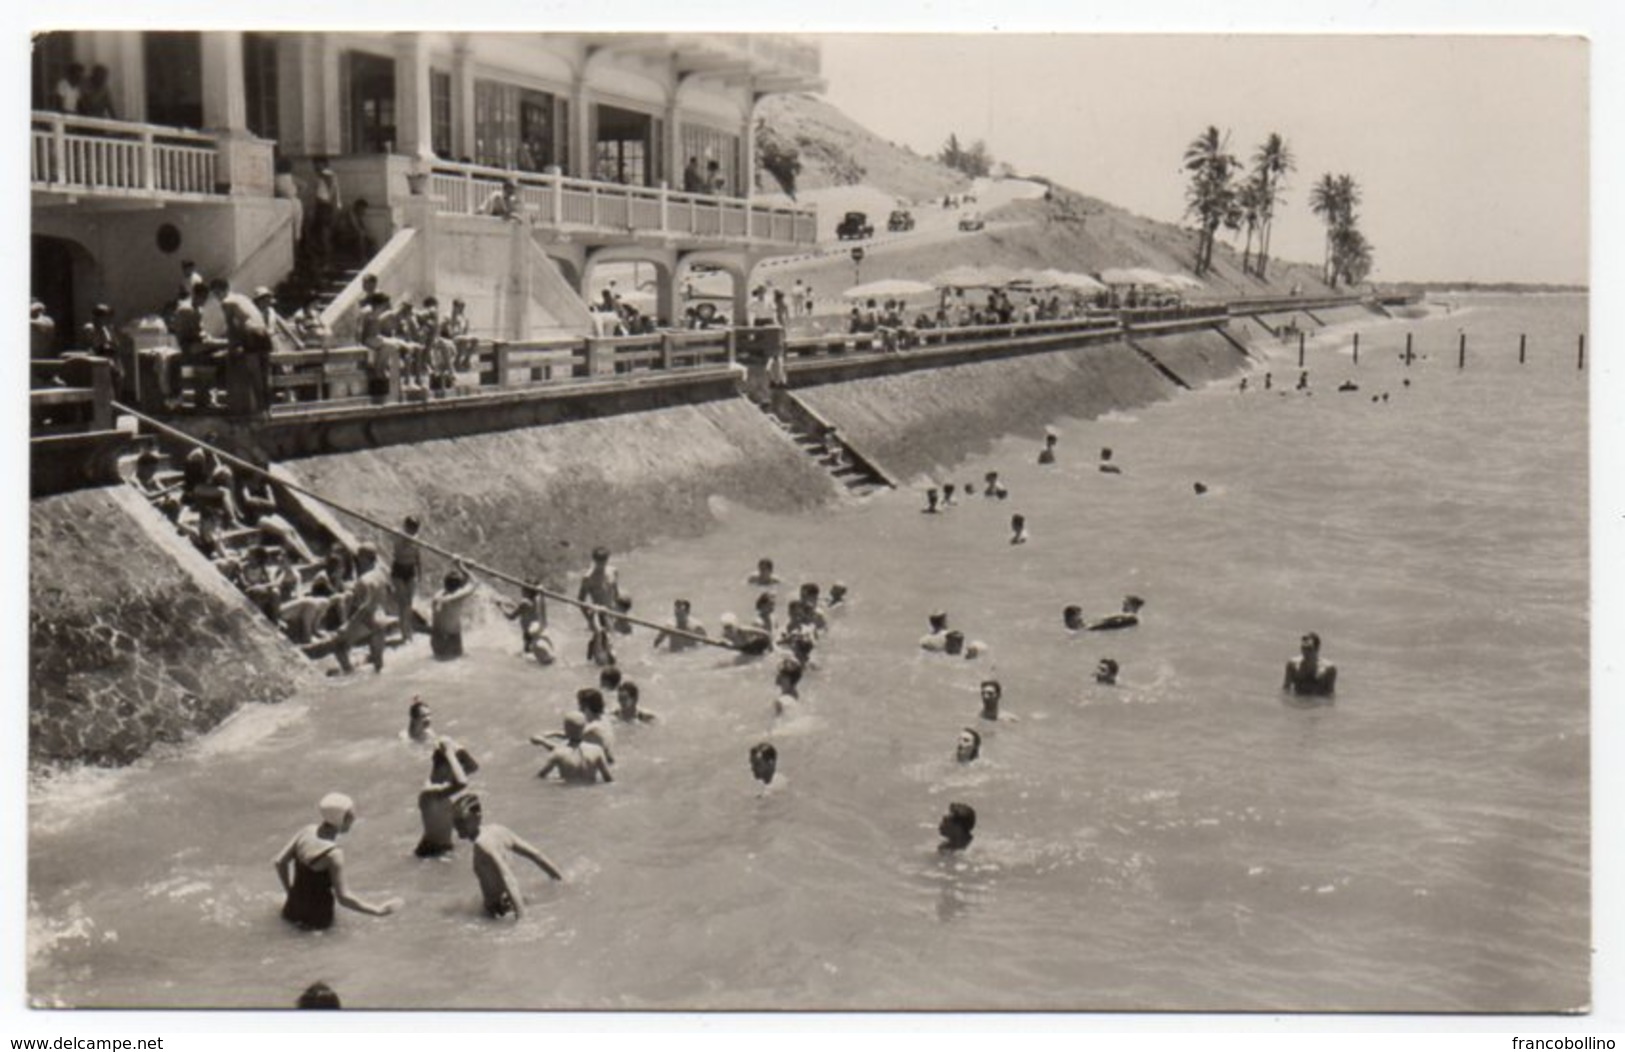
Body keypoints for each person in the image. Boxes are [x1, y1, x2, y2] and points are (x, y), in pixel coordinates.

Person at [273, 792, 398, 930]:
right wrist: (377, 910)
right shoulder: (333, 854)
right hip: (317, 919)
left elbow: (279, 862)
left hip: (291, 910)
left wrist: (290, 892)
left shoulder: (306, 831)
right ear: (342, 819)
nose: (354, 818)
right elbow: (343, 897)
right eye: (351, 815)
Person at [453, 794, 563, 920]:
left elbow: (508, 879)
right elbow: (536, 855)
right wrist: (561, 879)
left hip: (499, 911)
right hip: (512, 902)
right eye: (454, 821)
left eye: (461, 820)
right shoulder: (498, 830)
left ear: (478, 816)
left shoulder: (481, 845)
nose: (457, 825)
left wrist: (521, 920)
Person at [211, 278, 272, 416]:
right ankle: (268, 408)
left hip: (251, 334)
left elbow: (231, 328)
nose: (217, 298)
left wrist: (231, 349)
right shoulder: (242, 297)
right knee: (264, 375)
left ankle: (261, 410)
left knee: (255, 374)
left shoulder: (227, 302)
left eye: (217, 294)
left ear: (222, 290)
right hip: (264, 333)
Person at [334, 544, 392, 674]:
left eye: (359, 556)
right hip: (382, 618)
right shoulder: (382, 573)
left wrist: (348, 625)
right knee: (379, 665)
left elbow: (365, 606)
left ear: (364, 558)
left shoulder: (364, 580)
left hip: (369, 620)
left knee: (339, 646)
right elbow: (389, 591)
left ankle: (350, 675)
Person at [415, 736, 475, 858]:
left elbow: (473, 767)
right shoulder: (429, 791)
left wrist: (459, 748)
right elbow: (462, 783)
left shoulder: (444, 786)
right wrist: (449, 752)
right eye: (453, 767)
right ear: (444, 767)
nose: (455, 772)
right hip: (430, 851)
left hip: (444, 849)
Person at [534, 713, 614, 784]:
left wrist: (556, 781)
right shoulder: (597, 750)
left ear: (565, 730)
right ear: (584, 728)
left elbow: (540, 777)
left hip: (567, 796)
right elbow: (609, 780)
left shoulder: (558, 752)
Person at [578, 546, 622, 665]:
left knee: (611, 645)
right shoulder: (588, 578)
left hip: (611, 613)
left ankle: (596, 655)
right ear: (594, 561)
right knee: (602, 646)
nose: (602, 566)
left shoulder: (613, 571)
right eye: (599, 562)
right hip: (597, 614)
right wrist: (589, 620)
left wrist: (619, 612)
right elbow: (580, 600)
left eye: (604, 562)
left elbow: (616, 593)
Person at [429, 562, 479, 660]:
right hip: (451, 639)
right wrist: (462, 567)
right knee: (457, 664)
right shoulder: (455, 598)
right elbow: (475, 583)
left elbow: (460, 587)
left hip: (436, 638)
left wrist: (465, 570)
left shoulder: (437, 596)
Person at [1283, 631, 1338, 696]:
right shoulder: (1292, 665)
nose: (1305, 652)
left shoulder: (1329, 669)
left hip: (1318, 702)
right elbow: (1286, 689)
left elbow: (1330, 693)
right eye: (1303, 648)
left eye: (1309, 649)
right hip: (1298, 700)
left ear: (1317, 649)